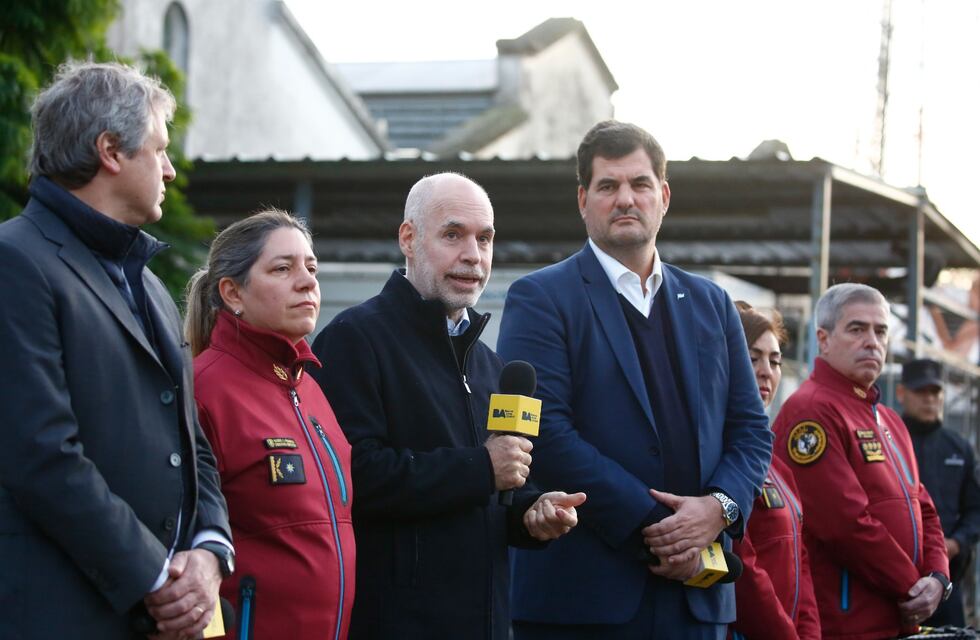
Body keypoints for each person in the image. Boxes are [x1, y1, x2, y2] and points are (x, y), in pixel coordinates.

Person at [496, 120, 772, 639]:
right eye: (608, 186)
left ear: (663, 196)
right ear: (583, 199)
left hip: (697, 601)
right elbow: (545, 431)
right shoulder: (542, 298)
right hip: (584, 600)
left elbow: (752, 431)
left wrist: (719, 510)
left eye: (640, 184)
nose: (626, 199)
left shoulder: (712, 303)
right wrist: (664, 531)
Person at [0, 61, 231, 638]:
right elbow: (40, 454)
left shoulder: (148, 282)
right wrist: (155, 579)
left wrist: (206, 552)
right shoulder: (14, 260)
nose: (171, 170)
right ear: (110, 151)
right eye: (159, 150)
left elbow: (190, 440)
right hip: (63, 613)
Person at [310, 172, 585, 639]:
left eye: (485, 238)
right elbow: (353, 478)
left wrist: (530, 513)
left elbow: (497, 489)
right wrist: (482, 468)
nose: (473, 256)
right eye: (453, 235)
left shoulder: (491, 365)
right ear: (408, 238)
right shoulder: (354, 340)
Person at [185, 209, 355, 639]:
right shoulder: (203, 390)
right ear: (232, 293)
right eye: (283, 268)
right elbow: (179, 546)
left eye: (311, 267)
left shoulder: (312, 390)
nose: (307, 281)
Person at [772, 283, 950, 639]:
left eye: (880, 330)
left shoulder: (890, 419)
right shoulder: (811, 410)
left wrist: (938, 577)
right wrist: (913, 587)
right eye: (857, 329)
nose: (872, 341)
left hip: (897, 617)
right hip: (846, 624)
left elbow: (925, 508)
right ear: (823, 339)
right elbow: (845, 525)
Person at [729, 303, 819, 639]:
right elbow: (743, 572)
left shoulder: (776, 463)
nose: (767, 371)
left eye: (775, 360)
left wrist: (809, 633)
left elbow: (802, 561)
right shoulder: (715, 455)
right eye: (753, 358)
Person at [899, 357, 980, 627]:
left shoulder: (959, 448)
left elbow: (975, 509)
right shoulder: (885, 440)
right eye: (920, 392)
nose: (929, 400)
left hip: (948, 581)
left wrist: (956, 543)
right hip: (896, 578)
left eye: (934, 392)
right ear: (901, 393)